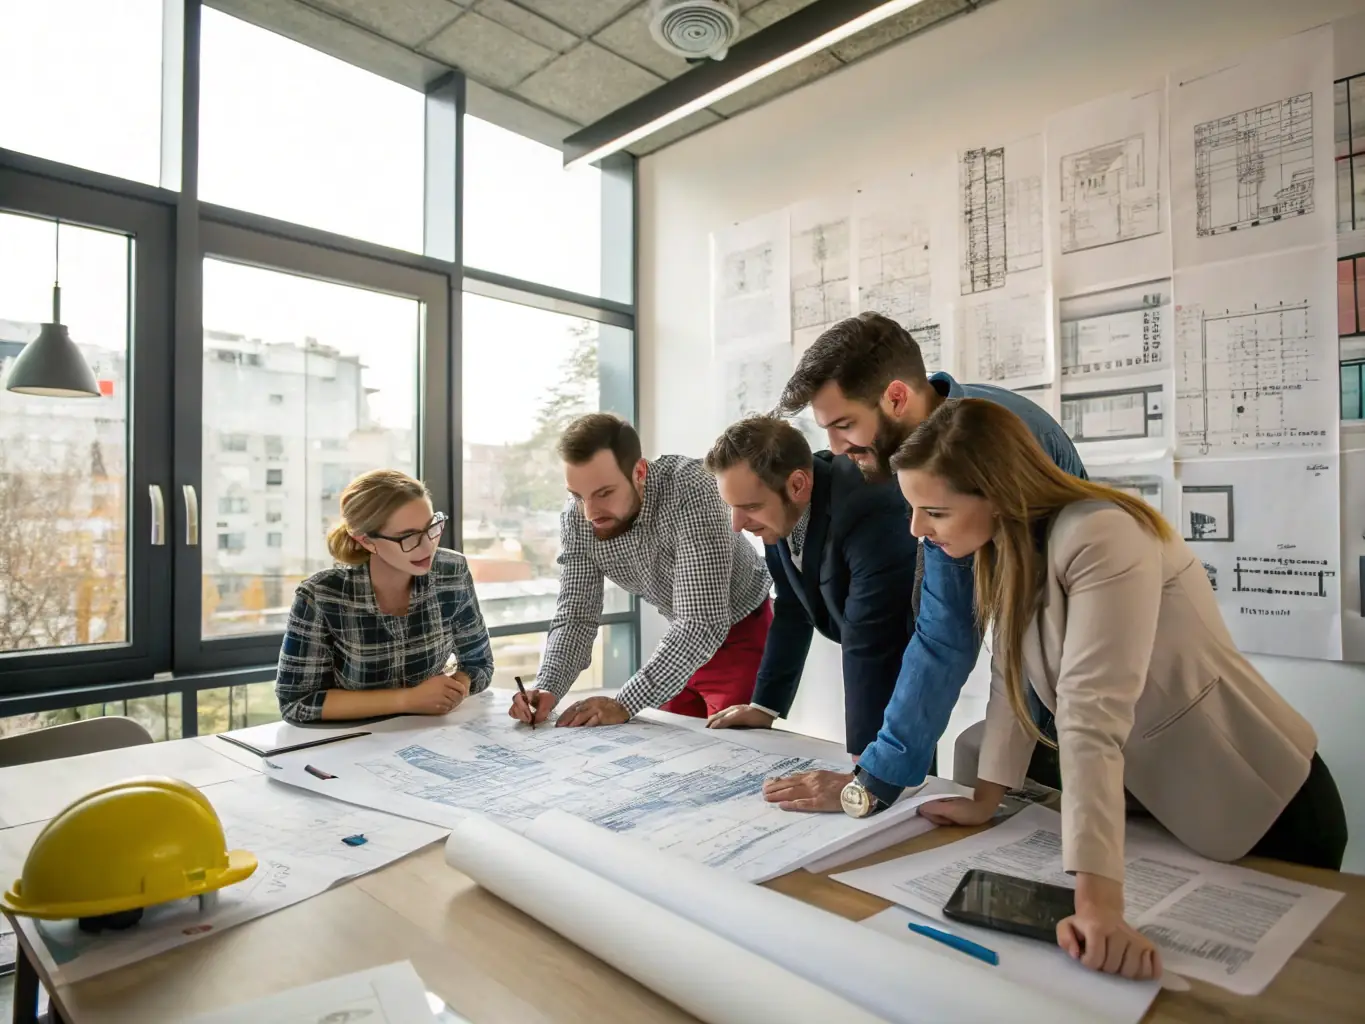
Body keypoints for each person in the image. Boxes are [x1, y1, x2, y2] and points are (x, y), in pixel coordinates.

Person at [902, 398, 1348, 979]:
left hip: (1263, 803)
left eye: (933, 511)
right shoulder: (1009, 549)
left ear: (998, 492)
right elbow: (1010, 679)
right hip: (1167, 808)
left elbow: (1091, 713)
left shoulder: (1103, 534)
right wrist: (986, 799)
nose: (917, 530)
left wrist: (1097, 908)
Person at [760, 311, 1086, 814]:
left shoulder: (979, 443)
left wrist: (871, 781)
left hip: (1088, 671)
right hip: (1044, 659)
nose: (836, 450)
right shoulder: (931, 446)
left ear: (895, 397)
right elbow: (954, 631)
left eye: (844, 425)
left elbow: (950, 633)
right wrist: (879, 775)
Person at [508, 413, 773, 728]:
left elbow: (702, 621)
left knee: (731, 750)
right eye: (578, 496)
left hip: (742, 630)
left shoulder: (693, 488)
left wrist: (623, 702)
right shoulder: (578, 518)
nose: (590, 512)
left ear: (639, 472)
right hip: (679, 635)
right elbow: (576, 617)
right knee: (669, 749)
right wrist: (547, 686)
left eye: (604, 493)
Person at [702, 414, 918, 754]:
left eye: (750, 508)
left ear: (798, 485)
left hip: (909, 643)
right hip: (873, 639)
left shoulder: (866, 504)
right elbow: (791, 604)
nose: (737, 525)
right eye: (732, 508)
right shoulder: (778, 513)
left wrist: (865, 766)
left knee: (898, 782)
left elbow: (872, 641)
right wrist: (764, 705)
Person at [275, 469, 494, 724]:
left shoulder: (452, 571)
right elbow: (296, 702)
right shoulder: (321, 594)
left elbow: (480, 664)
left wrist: (457, 688)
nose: (427, 547)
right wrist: (408, 700)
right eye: (408, 537)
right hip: (350, 746)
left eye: (431, 528)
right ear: (367, 541)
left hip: (432, 736)